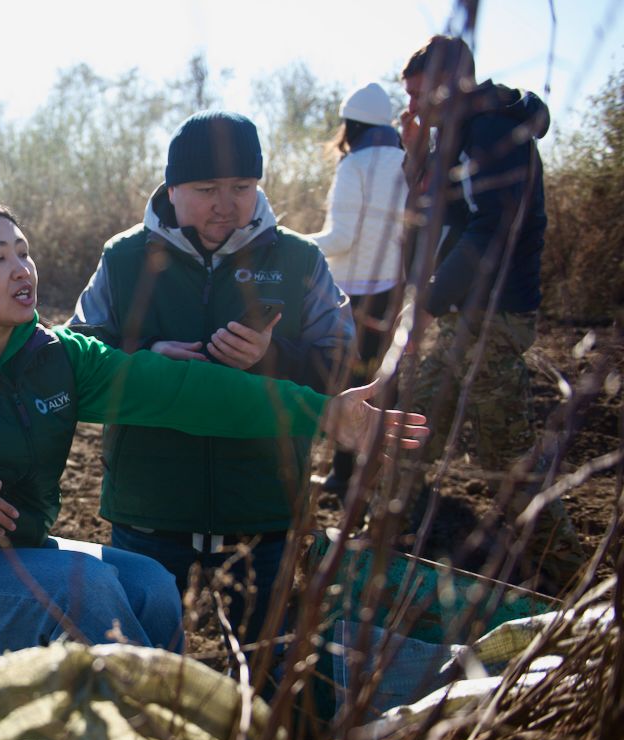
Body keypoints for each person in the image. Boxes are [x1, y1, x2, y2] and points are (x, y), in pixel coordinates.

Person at [0, 200, 424, 665]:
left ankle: (161, 730)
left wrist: (322, 413)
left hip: (14, 558)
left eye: (24, 252)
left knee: (152, 586)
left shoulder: (57, 356)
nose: (21, 269)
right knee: (84, 589)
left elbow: (183, 391)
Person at [70, 111, 355, 644]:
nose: (226, 203)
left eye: (242, 187)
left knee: (266, 668)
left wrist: (276, 357)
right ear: (173, 189)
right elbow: (76, 356)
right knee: (140, 666)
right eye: (206, 188)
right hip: (149, 508)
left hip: (264, 511)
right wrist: (148, 355)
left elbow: (343, 362)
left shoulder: (299, 260)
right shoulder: (124, 258)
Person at [396, 35, 581, 589]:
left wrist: (428, 301)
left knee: (510, 466)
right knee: (414, 425)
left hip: (493, 320)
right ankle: (390, 540)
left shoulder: (492, 132)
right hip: (465, 318)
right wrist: (414, 159)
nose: (414, 109)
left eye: (422, 96)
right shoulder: (457, 138)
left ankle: (580, 582)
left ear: (454, 86)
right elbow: (428, 230)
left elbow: (492, 230)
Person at [304, 84, 409, 497]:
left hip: (353, 295)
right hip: (393, 291)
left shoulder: (356, 164)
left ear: (351, 123)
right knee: (381, 383)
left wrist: (288, 241)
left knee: (347, 384)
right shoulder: (406, 160)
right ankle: (376, 480)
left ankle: (345, 476)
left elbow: (342, 238)